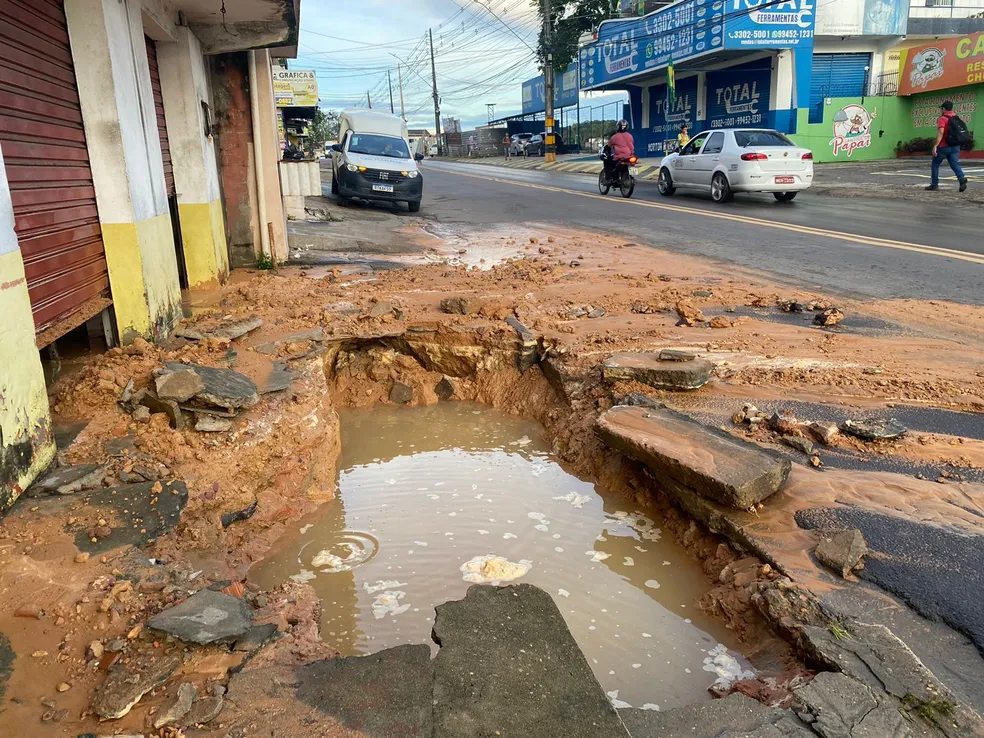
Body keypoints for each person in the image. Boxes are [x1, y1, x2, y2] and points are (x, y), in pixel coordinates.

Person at [926, 100, 968, 193]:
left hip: (944, 146)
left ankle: (934, 184)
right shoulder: (956, 117)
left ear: (944, 108)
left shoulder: (942, 118)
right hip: (955, 146)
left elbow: (941, 132)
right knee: (954, 164)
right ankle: (961, 178)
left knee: (935, 164)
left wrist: (935, 145)